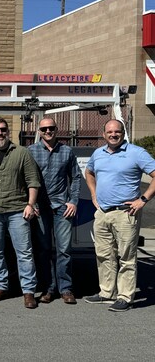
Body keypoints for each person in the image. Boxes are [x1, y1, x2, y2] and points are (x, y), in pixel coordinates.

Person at [84, 119, 155, 312]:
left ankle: (125, 297)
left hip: (126, 213)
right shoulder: (98, 153)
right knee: (104, 255)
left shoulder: (136, 153)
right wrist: (93, 193)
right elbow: (88, 172)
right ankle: (107, 293)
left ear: (123, 133)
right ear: (104, 134)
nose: (113, 134)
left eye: (117, 131)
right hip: (102, 213)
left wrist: (143, 199)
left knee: (126, 257)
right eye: (109, 132)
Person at [0, 118, 41, 309]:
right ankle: (0, 287)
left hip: (17, 211)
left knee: (24, 252)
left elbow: (33, 181)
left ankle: (28, 291)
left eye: (3, 130)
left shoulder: (22, 153)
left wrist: (30, 204)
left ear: (8, 131)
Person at [28, 118, 82, 305]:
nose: (48, 131)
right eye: (44, 128)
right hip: (40, 209)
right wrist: (31, 204)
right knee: (43, 250)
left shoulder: (66, 151)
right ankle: (48, 288)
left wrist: (73, 201)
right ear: (39, 131)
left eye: (51, 128)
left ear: (57, 129)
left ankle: (66, 289)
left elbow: (75, 178)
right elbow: (25, 179)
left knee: (64, 250)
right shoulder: (31, 151)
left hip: (62, 208)